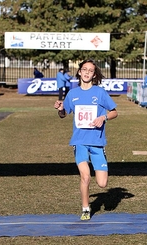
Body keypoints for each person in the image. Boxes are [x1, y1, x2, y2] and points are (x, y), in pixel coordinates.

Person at [53, 59, 118, 221]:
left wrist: (103, 117)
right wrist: (60, 109)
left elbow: (115, 112)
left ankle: (101, 162)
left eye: (90, 70)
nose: (87, 72)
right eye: (84, 69)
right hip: (79, 141)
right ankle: (85, 209)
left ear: (94, 74)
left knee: (102, 184)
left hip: (97, 142)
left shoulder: (100, 93)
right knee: (85, 177)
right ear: (79, 72)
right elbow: (63, 114)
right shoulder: (73, 94)